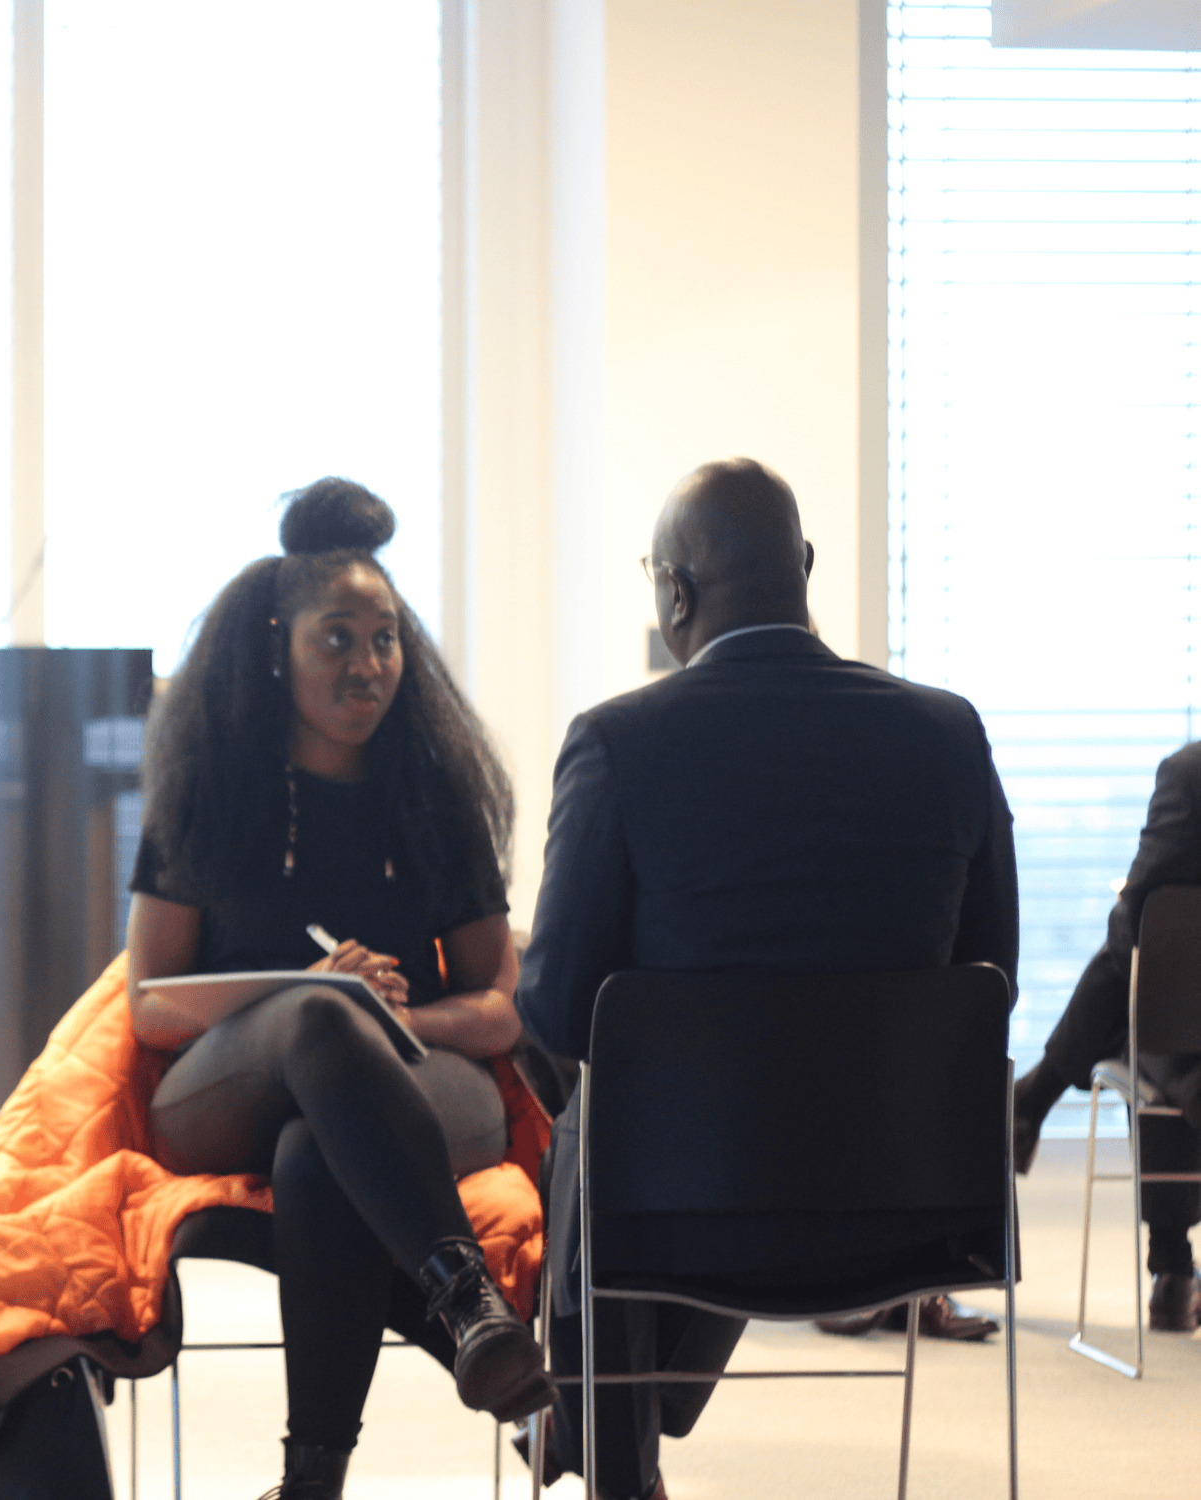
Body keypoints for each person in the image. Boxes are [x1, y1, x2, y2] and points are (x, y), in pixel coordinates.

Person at [515, 458, 1019, 1500]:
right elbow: (991, 978)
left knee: (602, 1129)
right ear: (807, 567)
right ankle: (611, 1426)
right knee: (682, 1130)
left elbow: (557, 1009)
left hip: (679, 1211)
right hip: (911, 1206)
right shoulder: (948, 733)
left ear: (674, 594)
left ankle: (610, 1446)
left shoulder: (618, 742)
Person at [126, 478, 556, 1500]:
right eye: (338, 640)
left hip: (419, 1074)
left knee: (318, 1152)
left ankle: (311, 1479)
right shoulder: (210, 790)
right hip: (226, 1087)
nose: (368, 666)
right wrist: (304, 994)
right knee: (323, 1016)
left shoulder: (436, 794)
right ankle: (468, 1304)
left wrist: (395, 1016)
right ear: (278, 646)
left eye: (386, 639)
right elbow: (150, 1002)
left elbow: (502, 1007)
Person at [1011, 740, 1201, 1331]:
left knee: (1155, 1021)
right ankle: (1031, 1101)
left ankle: (1172, 1268)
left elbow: (1140, 921)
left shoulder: (1192, 774)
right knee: (1163, 1006)